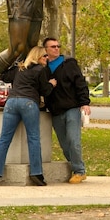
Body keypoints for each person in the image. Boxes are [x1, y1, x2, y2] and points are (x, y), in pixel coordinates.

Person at [0, 46, 57, 186]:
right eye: (44, 56)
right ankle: (36, 173)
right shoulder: (40, 70)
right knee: (33, 138)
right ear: (37, 57)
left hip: (11, 102)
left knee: (4, 138)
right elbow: (45, 90)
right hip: (29, 102)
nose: (47, 59)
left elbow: (4, 76)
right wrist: (51, 84)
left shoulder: (19, 69)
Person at [43, 37, 91, 184]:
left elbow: (80, 83)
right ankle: (76, 165)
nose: (56, 49)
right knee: (64, 144)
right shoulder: (43, 68)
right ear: (45, 50)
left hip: (71, 108)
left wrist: (85, 103)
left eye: (58, 46)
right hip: (55, 111)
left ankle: (79, 170)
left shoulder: (69, 64)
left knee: (73, 140)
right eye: (53, 47)